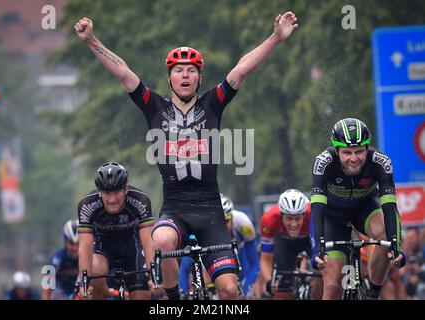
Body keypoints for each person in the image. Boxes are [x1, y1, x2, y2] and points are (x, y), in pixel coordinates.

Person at [74, 10, 298, 300]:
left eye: (191, 70)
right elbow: (123, 72)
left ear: (199, 78)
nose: (185, 74)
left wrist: (277, 38)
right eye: (178, 70)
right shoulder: (154, 107)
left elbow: (242, 69)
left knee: (230, 290)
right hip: (175, 208)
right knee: (162, 239)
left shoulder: (212, 104)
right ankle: (172, 299)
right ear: (169, 77)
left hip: (210, 211)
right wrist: (91, 40)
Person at [309, 118, 406, 300]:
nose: (353, 158)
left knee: (385, 233)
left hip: (365, 209)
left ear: (367, 149)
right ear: (337, 151)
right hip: (333, 218)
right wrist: (317, 250)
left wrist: (396, 246)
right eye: (347, 152)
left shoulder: (381, 162)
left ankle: (373, 292)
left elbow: (390, 207)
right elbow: (316, 209)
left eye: (359, 151)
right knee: (332, 287)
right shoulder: (323, 163)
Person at [77, 162, 156, 300]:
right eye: (107, 193)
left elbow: (148, 242)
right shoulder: (87, 204)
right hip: (103, 246)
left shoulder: (140, 200)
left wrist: (154, 276)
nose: (112, 199)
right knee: (94, 273)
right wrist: (85, 286)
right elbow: (84, 248)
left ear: (126, 189)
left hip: (133, 247)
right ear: (99, 192)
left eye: (117, 191)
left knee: (142, 296)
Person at [178, 194, 259, 299]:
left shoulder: (243, 223)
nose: (222, 227)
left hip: (238, 253)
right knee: (205, 280)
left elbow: (254, 264)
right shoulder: (199, 226)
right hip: (208, 254)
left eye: (226, 221)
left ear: (232, 217)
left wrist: (246, 289)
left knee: (237, 289)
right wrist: (183, 293)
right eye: (217, 222)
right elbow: (185, 266)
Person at [259, 189, 321, 299]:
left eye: (298, 218)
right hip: (285, 243)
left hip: (309, 239)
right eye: (289, 219)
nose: (293, 224)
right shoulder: (269, 219)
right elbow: (265, 259)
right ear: (281, 215)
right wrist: (270, 282)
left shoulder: (313, 214)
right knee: (282, 294)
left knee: (324, 276)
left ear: (304, 215)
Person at [42, 219, 79, 300]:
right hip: (63, 293)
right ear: (65, 242)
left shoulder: (91, 256)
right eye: (72, 244)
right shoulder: (55, 258)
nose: (75, 248)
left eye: (78, 243)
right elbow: (46, 289)